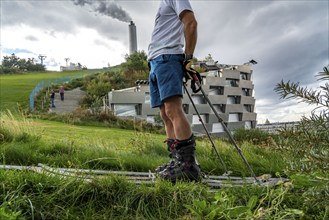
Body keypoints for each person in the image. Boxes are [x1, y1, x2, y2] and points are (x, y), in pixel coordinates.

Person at [148, 0, 200, 182]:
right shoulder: (163, 3)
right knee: (164, 114)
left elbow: (191, 23)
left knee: (173, 110)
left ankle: (188, 166)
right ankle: (176, 162)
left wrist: (188, 58)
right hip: (155, 60)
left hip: (168, 57)